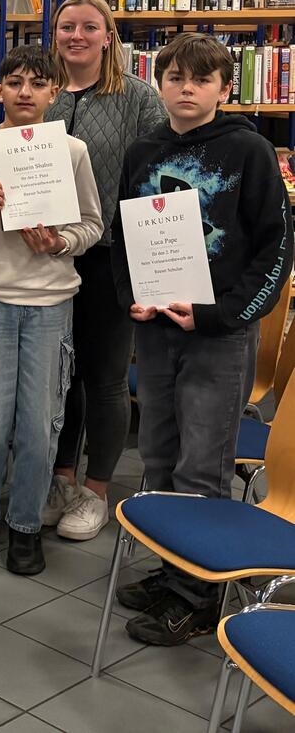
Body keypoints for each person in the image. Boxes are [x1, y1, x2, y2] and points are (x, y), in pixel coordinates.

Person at [110, 32, 290, 645]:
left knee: (202, 466)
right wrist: (128, 298)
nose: (187, 88)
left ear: (223, 87)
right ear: (158, 83)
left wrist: (218, 316)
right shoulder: (143, 151)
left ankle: (197, 597)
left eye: (202, 79)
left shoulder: (250, 151)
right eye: (176, 77)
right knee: (158, 458)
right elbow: (123, 236)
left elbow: (275, 248)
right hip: (156, 331)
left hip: (217, 336)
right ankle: (171, 571)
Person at [0, 46, 103, 575]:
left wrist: (58, 242)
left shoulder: (72, 151)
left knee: (40, 424)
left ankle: (26, 524)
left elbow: (91, 226)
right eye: (15, 83)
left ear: (54, 92)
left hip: (51, 304)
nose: (26, 93)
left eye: (38, 84)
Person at [44, 0, 166, 540]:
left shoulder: (139, 98)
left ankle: (96, 490)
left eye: (89, 27)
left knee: (107, 377)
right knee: (60, 376)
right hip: (47, 256)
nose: (77, 36)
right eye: (67, 26)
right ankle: (61, 481)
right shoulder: (43, 96)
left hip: (112, 257)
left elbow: (157, 176)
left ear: (108, 36)